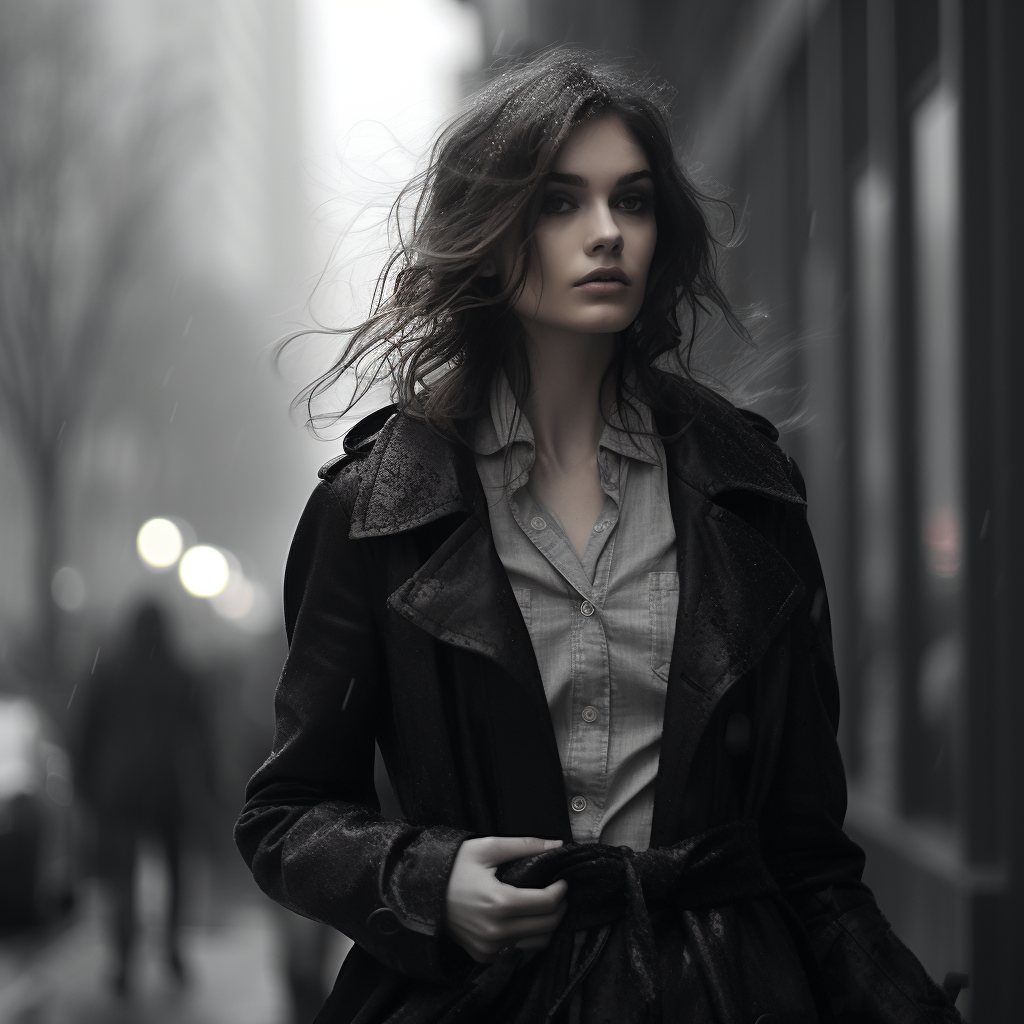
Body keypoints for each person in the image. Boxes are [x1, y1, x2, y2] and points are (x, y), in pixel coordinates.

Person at [235, 51, 962, 1023]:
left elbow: (808, 851)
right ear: (491, 234)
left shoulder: (748, 488)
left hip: (724, 995)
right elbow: (284, 815)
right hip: (481, 998)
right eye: (561, 203)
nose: (606, 232)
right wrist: (427, 877)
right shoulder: (379, 507)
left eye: (631, 200)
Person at [76, 601, 213, 995]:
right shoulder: (182, 672)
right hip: (166, 784)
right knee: (174, 872)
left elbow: (87, 729)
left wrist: (84, 782)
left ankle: (122, 959)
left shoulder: (108, 670)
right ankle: (171, 948)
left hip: (117, 786)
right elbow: (201, 735)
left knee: (121, 874)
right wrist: (207, 783)